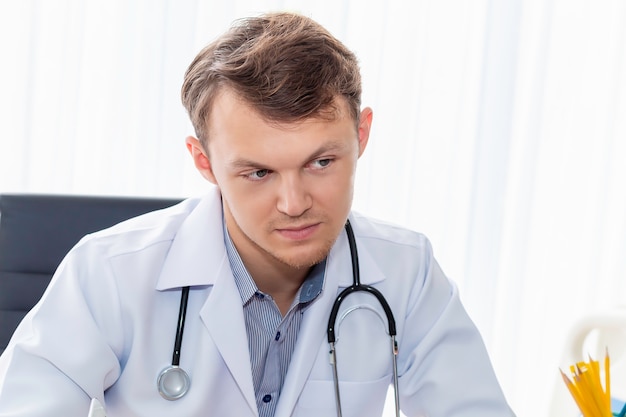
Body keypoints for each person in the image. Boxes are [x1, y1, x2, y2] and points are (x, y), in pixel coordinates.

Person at [0, 11, 515, 417]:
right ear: (204, 162)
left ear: (362, 135)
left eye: (321, 162)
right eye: (259, 173)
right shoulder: (108, 271)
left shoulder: (407, 273)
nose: (294, 204)